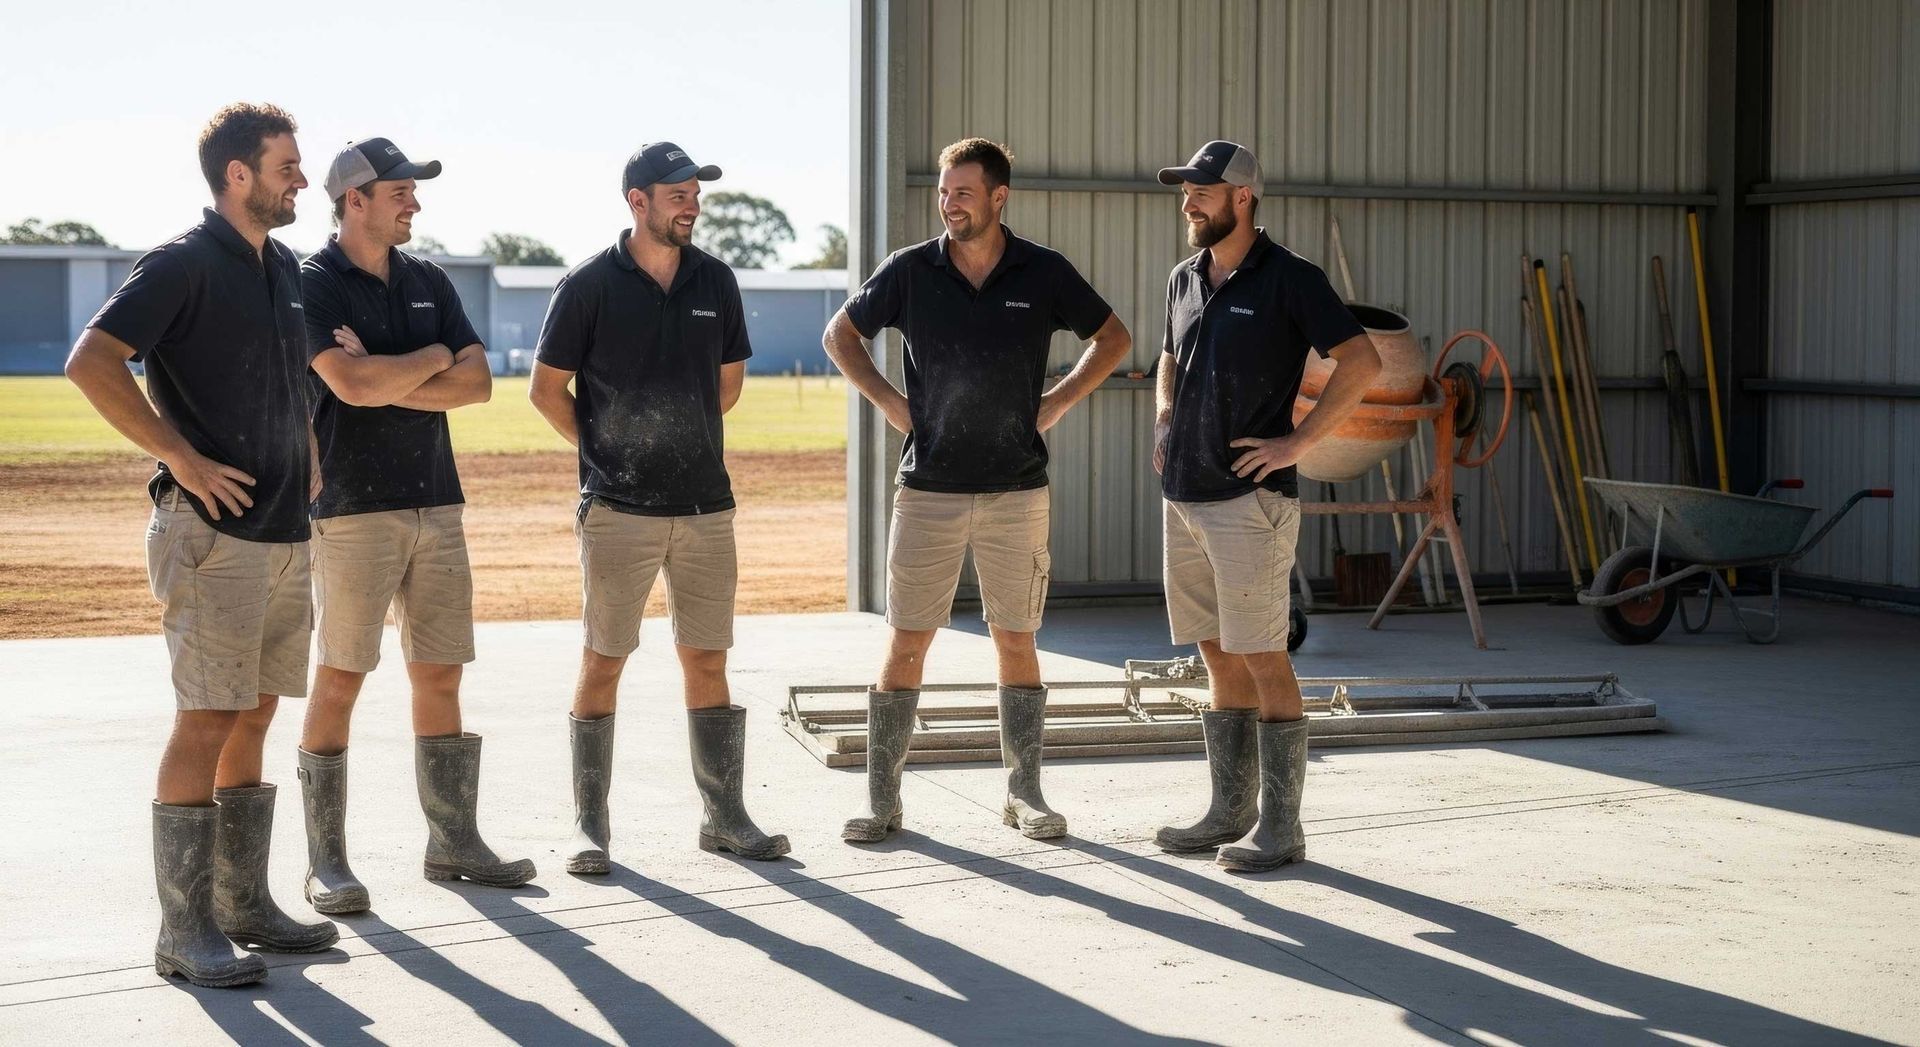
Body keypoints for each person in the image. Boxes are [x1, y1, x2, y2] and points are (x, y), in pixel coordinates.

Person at [64, 102, 337, 988]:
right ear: (238, 176)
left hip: (284, 527)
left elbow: (290, 374)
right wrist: (179, 456)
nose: (301, 177)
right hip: (210, 534)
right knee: (207, 716)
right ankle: (184, 931)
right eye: (287, 165)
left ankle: (243, 903)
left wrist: (309, 450)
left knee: (255, 710)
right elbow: (92, 360)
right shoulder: (182, 263)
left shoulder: (285, 266)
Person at [822, 137, 1132, 843]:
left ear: (999, 196)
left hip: (1016, 489)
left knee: (1016, 640)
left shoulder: (1043, 271)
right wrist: (889, 401)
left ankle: (1024, 793)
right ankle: (883, 801)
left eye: (963, 191)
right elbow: (840, 335)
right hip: (928, 487)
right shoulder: (909, 270)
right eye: (942, 192)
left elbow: (1112, 338)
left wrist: (1056, 400)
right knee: (906, 643)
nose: (948, 202)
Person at [530, 142, 788, 871]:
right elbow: (547, 391)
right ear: (636, 202)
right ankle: (591, 824)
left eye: (695, 192)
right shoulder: (587, 286)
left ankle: (725, 815)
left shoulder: (717, 280)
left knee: (707, 656)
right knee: (604, 657)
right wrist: (605, 449)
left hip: (706, 505)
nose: (691, 203)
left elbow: (728, 386)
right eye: (677, 192)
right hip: (618, 507)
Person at [296, 138, 534, 914]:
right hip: (352, 507)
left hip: (438, 499)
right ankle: (327, 860)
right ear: (353, 199)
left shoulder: (429, 279)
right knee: (342, 674)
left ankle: (453, 841)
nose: (414, 203)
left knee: (440, 671)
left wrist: (399, 368)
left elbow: (479, 385)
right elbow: (350, 385)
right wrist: (431, 358)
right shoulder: (310, 284)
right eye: (399, 191)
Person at [1150, 140, 1381, 871]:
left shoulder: (1290, 280)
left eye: (1202, 190)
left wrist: (1297, 442)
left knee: (1262, 654)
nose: (1189, 200)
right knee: (1215, 652)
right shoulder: (1184, 278)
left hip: (1249, 501)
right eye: (1185, 190)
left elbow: (1363, 361)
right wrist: (1163, 415)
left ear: (1242, 196)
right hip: (1184, 495)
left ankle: (1283, 827)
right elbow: (1168, 358)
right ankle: (1229, 809)